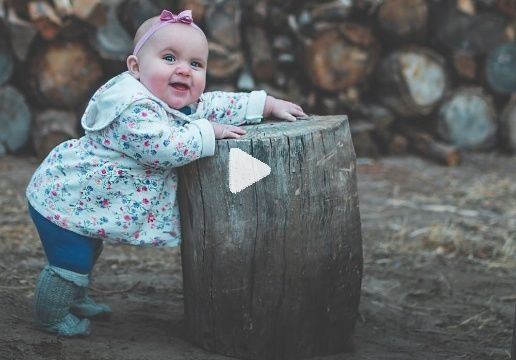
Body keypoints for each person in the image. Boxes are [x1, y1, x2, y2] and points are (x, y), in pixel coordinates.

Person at [26, 9, 307, 337]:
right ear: (135, 67)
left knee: (88, 248)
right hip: (63, 198)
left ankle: (75, 298)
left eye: (196, 64)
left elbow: (213, 104)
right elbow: (163, 148)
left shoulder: (169, 101)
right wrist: (206, 132)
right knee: (70, 259)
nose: (184, 70)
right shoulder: (132, 109)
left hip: (84, 202)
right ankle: (51, 314)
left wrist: (266, 104)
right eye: (170, 58)